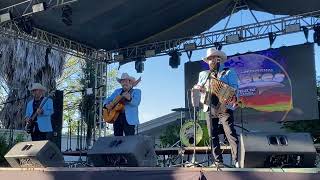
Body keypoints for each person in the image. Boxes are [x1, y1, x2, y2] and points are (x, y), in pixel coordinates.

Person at [193, 48, 239, 168]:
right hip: (209, 106)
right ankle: (218, 161)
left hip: (224, 106)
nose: (211, 60)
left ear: (219, 59)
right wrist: (200, 89)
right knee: (212, 134)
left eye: (213, 58)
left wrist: (225, 89)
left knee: (230, 133)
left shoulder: (228, 72)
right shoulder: (203, 74)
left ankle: (238, 160)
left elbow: (234, 87)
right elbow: (199, 87)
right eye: (209, 59)